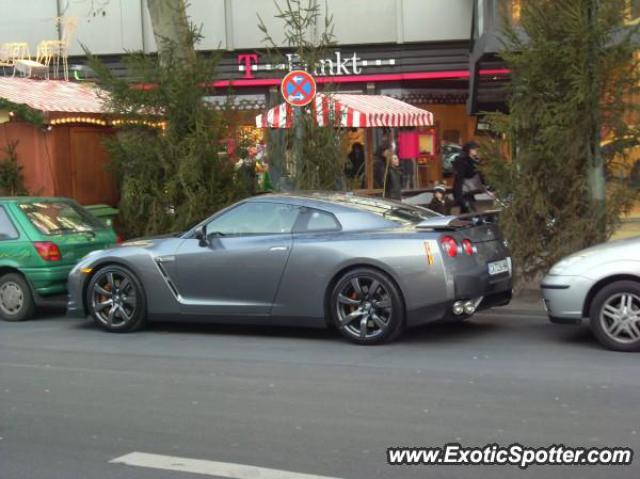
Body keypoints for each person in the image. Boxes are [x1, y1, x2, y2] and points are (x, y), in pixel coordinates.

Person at [452, 141, 482, 213]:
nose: (476, 151)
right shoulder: (463, 161)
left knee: (466, 212)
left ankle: (465, 222)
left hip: (468, 191)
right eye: (474, 149)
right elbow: (459, 178)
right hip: (463, 191)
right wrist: (459, 196)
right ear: (469, 150)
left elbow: (477, 173)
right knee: (469, 211)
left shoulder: (472, 159)